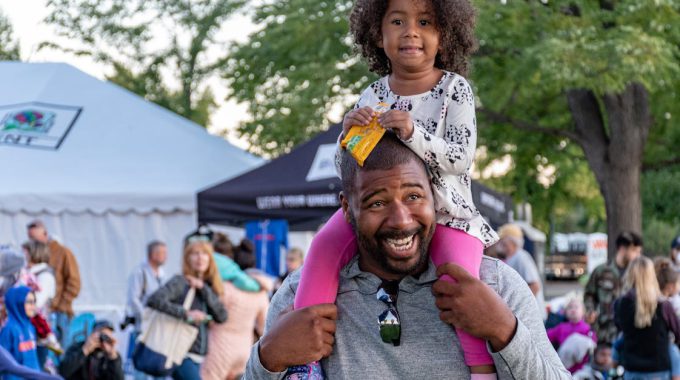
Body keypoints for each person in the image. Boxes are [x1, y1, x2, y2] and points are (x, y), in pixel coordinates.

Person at [245, 132, 570, 379]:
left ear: (434, 195)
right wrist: (267, 358)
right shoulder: (300, 297)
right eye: (376, 202)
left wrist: (504, 331)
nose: (401, 220)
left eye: (413, 196)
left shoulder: (497, 285)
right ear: (347, 208)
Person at [291, 0, 500, 377]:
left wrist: (413, 133)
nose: (411, 32)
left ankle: (481, 368)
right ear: (377, 33)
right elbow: (352, 170)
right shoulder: (372, 94)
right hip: (380, 209)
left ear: (445, 34)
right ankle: (303, 364)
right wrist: (347, 136)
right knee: (322, 246)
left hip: (447, 213)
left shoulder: (455, 90)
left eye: (425, 22)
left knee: (459, 280)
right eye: (398, 21)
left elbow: (460, 157)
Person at [146, 240, 227, 380]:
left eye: (204, 254)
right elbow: (154, 299)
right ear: (187, 258)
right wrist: (186, 314)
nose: (200, 257)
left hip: (198, 355)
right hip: (180, 351)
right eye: (195, 253)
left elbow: (222, 316)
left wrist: (203, 288)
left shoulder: (209, 286)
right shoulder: (181, 281)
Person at [201, 238, 271, 380]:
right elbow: (265, 327)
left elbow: (210, 316)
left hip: (218, 348)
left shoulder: (224, 288)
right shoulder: (261, 292)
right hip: (244, 349)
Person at [615, 256, 680, 379]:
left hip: (632, 368)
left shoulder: (620, 304)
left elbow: (620, 328)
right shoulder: (663, 305)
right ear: (652, 276)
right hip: (658, 368)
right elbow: (678, 332)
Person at [27, 220, 81, 346]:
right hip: (41, 313)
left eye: (34, 238)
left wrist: (61, 305)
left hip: (59, 312)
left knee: (59, 351)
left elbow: (74, 283)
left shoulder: (63, 252)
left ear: (45, 235)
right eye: (30, 238)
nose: (32, 241)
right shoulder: (35, 255)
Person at [584, 231, 643, 345]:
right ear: (622, 249)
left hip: (631, 335)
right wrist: (590, 311)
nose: (638, 255)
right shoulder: (601, 271)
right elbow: (589, 294)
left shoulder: (639, 274)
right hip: (604, 334)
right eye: (635, 251)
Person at [122, 240, 167, 380]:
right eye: (162, 253)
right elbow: (133, 299)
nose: (165, 256)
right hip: (143, 327)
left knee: (159, 365)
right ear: (153, 254)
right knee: (141, 366)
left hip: (159, 328)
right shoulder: (139, 272)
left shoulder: (162, 274)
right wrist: (145, 316)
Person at [21, 241, 62, 368]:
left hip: (40, 330)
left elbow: (37, 302)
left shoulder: (45, 276)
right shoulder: (27, 273)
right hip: (29, 326)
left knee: (39, 364)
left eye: (26, 253)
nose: (24, 256)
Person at [495, 223, 546, 320]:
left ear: (513, 243)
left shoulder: (521, 257)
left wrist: (518, 308)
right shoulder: (510, 257)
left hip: (532, 317)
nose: (499, 244)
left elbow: (535, 286)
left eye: (503, 242)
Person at [58, 320, 124, 380]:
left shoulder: (112, 357)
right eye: (101, 334)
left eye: (107, 337)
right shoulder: (78, 347)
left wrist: (112, 356)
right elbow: (62, 372)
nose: (103, 339)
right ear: (93, 333)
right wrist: (85, 350)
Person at [0, 286, 41, 379]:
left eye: (34, 302)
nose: (33, 306)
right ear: (18, 303)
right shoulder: (9, 329)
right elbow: (4, 364)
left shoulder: (30, 327)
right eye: (29, 302)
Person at [547, 298, 597, 373]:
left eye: (576, 307)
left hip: (581, 369)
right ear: (565, 312)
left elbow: (592, 344)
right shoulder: (561, 327)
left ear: (583, 312)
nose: (573, 309)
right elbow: (546, 336)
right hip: (563, 368)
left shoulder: (587, 328)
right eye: (570, 307)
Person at [655, 258, 680, 380]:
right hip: (667, 342)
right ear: (670, 286)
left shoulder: (654, 299)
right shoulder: (668, 304)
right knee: (674, 352)